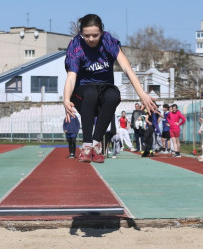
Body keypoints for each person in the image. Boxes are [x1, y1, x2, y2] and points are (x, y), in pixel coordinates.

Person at [63, 14, 157, 163]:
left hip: (104, 91)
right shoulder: (76, 45)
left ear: (102, 32)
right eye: (87, 36)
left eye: (95, 35)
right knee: (91, 92)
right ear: (81, 34)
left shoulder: (108, 41)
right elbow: (71, 76)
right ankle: (87, 144)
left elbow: (127, 68)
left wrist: (142, 94)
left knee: (113, 94)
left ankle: (96, 143)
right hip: (83, 92)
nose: (91, 39)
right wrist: (66, 99)